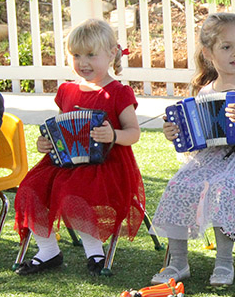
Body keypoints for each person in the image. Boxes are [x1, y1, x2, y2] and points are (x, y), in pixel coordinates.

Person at [150, 13, 235, 286]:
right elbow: (194, 146)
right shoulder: (205, 91)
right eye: (226, 47)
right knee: (179, 184)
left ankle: (224, 262)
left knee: (227, 187)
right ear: (208, 53)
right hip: (210, 160)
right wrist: (175, 135)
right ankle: (177, 262)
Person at [14, 19, 144, 276]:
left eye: (91, 55)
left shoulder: (119, 92)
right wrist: (47, 143)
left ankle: (95, 252)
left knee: (76, 192)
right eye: (76, 55)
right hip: (65, 161)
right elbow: (62, 130)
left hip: (107, 163)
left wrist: (113, 134)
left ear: (111, 54)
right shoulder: (66, 90)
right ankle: (48, 250)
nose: (82, 62)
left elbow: (134, 133)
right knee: (30, 188)